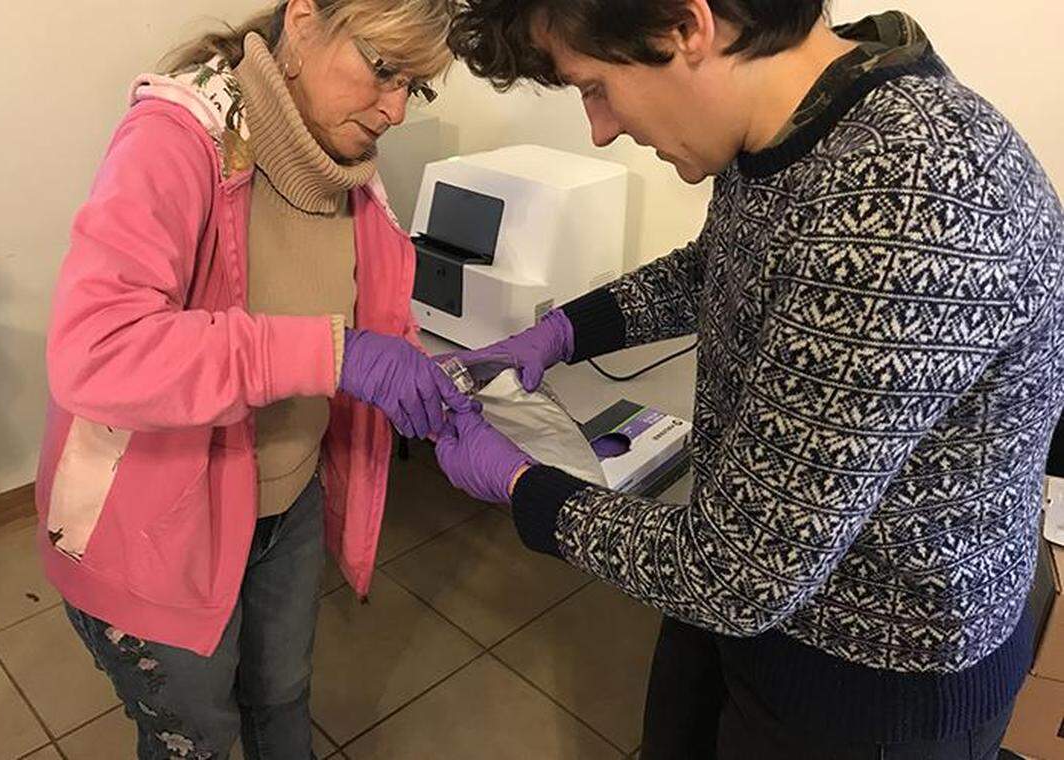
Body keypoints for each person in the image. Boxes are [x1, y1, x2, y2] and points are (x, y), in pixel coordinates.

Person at [435, 2, 1064, 758]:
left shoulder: (906, 200)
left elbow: (736, 575)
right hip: (759, 600)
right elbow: (720, 267)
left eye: (594, 87)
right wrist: (567, 330)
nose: (599, 129)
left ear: (686, 26)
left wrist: (524, 486)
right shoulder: (805, 120)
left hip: (869, 678)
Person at [35, 1, 467, 756]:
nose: (396, 110)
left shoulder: (344, 171)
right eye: (384, 69)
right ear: (302, 19)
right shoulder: (176, 140)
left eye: (416, 87)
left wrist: (442, 382)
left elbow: (362, 317)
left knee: (282, 695)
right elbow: (97, 349)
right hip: (159, 522)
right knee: (196, 735)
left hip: (287, 500)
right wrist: (337, 355)